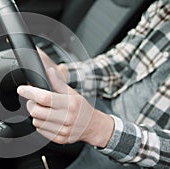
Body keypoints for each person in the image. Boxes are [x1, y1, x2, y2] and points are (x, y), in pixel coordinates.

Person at [17, 0, 170, 168]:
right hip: (109, 108)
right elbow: (119, 63)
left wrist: (100, 128)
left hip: (143, 155)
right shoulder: (164, 7)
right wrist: (60, 73)